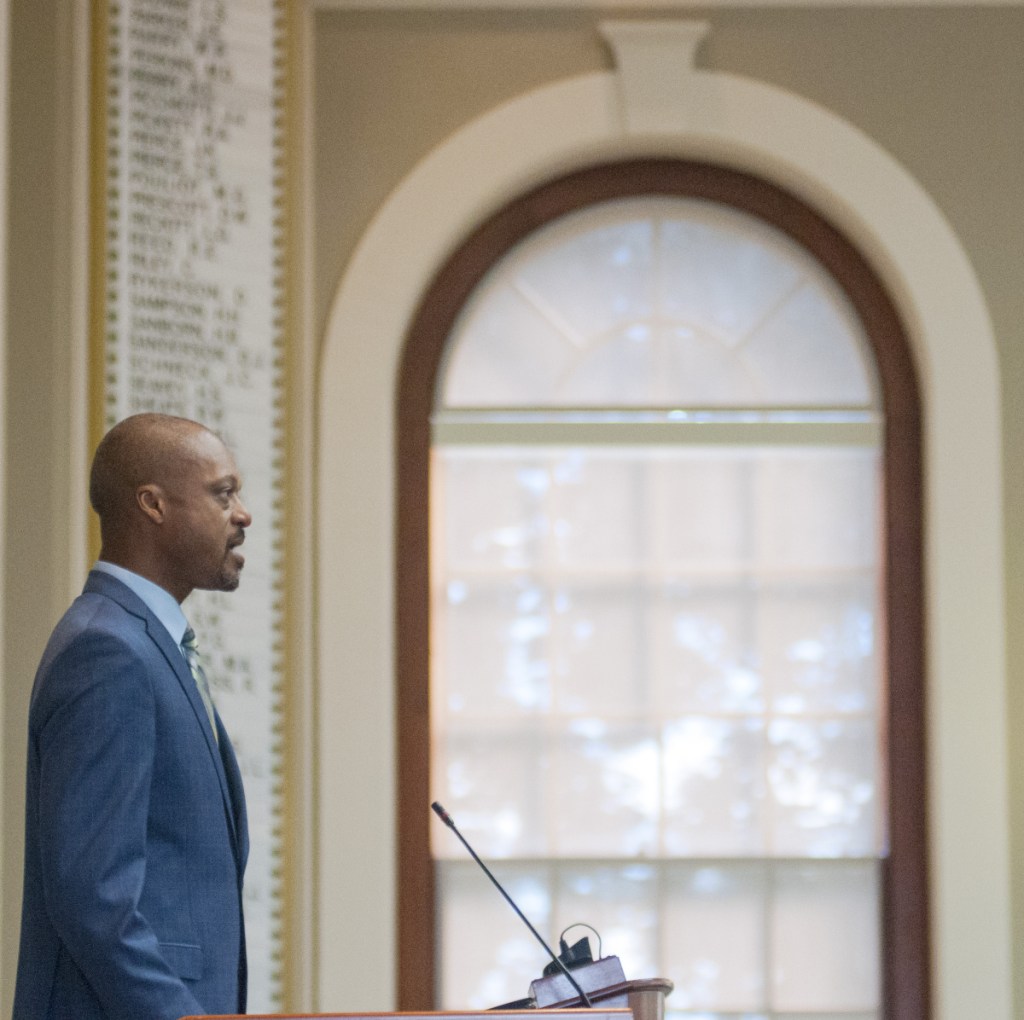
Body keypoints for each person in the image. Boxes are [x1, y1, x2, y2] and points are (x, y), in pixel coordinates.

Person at [12, 413, 253, 1020]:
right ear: (153, 504)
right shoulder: (108, 650)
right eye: (223, 494)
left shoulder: (145, 643)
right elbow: (93, 898)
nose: (243, 515)